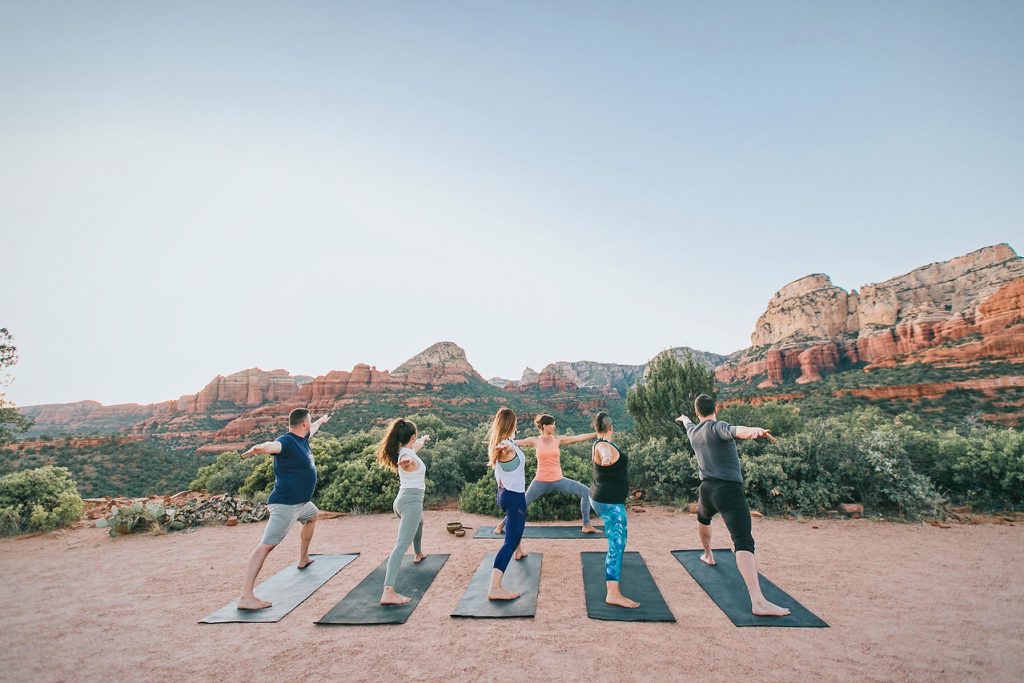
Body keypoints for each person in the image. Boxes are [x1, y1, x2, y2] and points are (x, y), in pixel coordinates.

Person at [675, 393, 790, 617]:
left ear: (698, 412)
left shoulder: (693, 431)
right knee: (743, 541)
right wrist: (755, 431)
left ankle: (708, 554)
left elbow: (688, 423)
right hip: (729, 491)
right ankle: (758, 602)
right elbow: (737, 430)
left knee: (703, 518)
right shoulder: (718, 427)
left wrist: (684, 418)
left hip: (706, 489)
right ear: (715, 409)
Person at [236, 408, 331, 610]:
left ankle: (303, 559)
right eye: (310, 422)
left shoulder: (302, 439)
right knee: (266, 546)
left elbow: (313, 428)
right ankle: (246, 596)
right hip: (286, 505)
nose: (310, 425)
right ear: (303, 423)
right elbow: (273, 446)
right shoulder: (287, 441)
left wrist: (321, 421)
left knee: (312, 516)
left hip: (302, 504)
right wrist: (259, 448)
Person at [494, 414, 599, 535]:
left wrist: (596, 434)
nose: (554, 427)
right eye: (552, 424)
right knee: (521, 504)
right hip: (540, 481)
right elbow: (512, 442)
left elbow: (578, 437)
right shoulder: (535, 441)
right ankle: (501, 524)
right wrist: (498, 443)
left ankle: (586, 525)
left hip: (558, 479)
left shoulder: (558, 439)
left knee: (586, 492)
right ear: (544, 426)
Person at [375, 417, 431, 605]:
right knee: (400, 546)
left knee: (420, 522)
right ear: (411, 437)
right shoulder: (405, 456)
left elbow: (415, 448)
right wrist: (405, 462)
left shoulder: (406, 449)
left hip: (403, 500)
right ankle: (388, 591)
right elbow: (406, 460)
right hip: (411, 503)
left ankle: (418, 553)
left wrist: (423, 438)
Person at [589, 411, 639, 609]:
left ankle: (614, 575)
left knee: (617, 540)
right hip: (609, 503)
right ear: (611, 428)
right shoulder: (603, 445)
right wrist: (607, 458)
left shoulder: (600, 442)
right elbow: (605, 453)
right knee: (617, 543)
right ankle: (613, 594)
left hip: (602, 498)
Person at [486, 406, 529, 601]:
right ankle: (495, 587)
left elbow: (510, 445)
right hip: (514, 498)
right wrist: (504, 449)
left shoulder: (506, 441)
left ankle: (519, 551)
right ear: (512, 424)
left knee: (515, 531)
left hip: (504, 494)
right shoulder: (505, 445)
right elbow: (506, 449)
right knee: (510, 540)